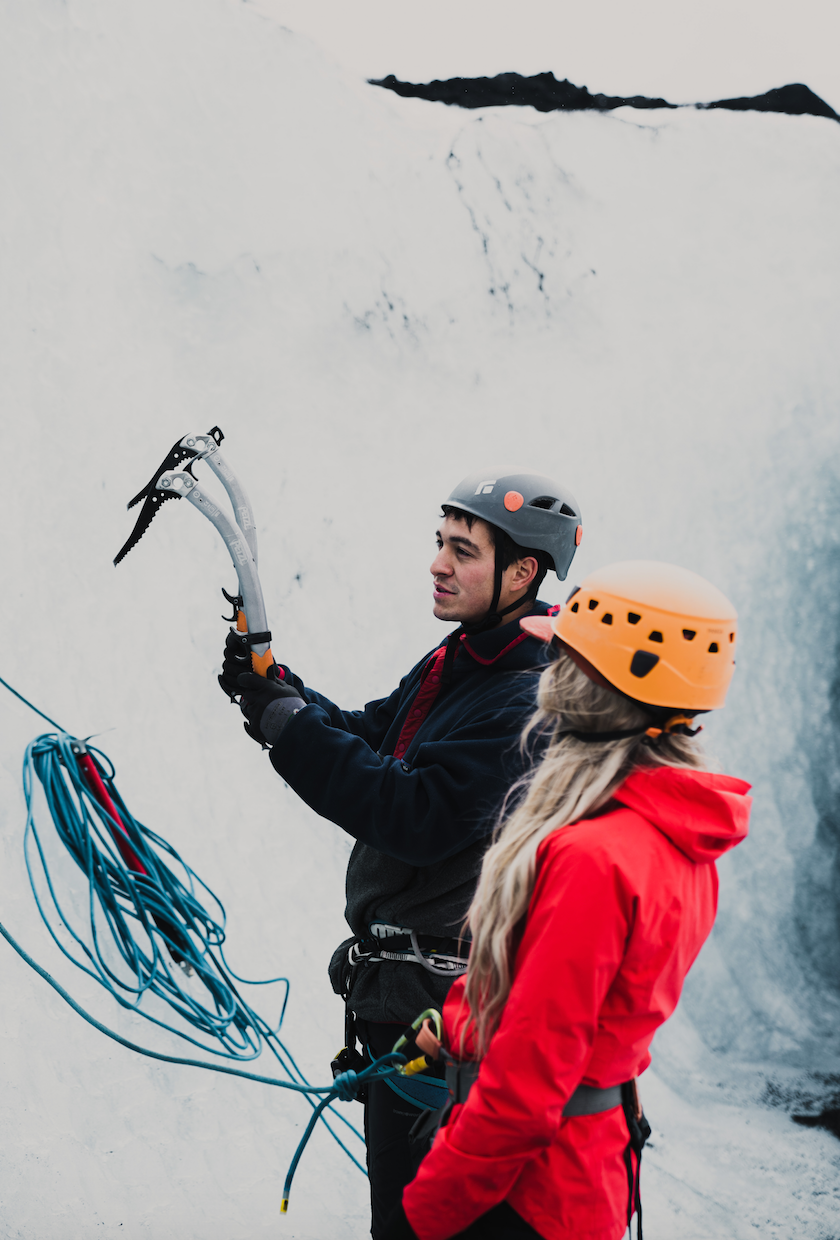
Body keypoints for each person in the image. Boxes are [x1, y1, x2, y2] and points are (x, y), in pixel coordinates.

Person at [218, 470, 583, 1238]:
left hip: (444, 1010)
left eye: (463, 551)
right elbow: (377, 735)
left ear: (523, 572)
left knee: (420, 1226)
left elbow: (414, 813)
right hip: (410, 996)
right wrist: (277, 689)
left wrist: (287, 723)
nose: (438, 564)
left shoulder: (529, 693)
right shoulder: (470, 657)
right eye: (440, 543)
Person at [381, 559, 752, 1240]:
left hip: (527, 1199)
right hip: (583, 1178)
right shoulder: (675, 830)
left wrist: (424, 1215)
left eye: (561, 657)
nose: (546, 672)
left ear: (589, 685)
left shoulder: (593, 858)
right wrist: (459, 1032)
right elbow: (575, 1017)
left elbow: (525, 1089)